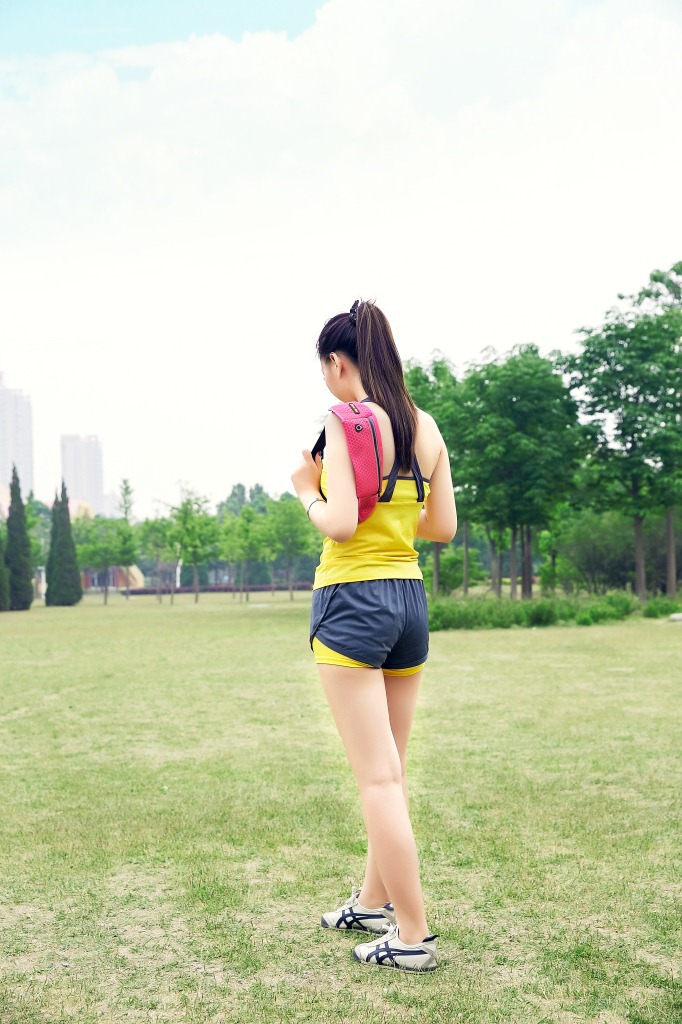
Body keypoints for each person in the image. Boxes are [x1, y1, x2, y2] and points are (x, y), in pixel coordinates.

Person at [291, 299, 457, 972]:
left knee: (378, 780)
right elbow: (441, 527)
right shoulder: (424, 424)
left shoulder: (346, 421)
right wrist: (393, 510)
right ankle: (371, 902)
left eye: (324, 368)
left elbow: (336, 523)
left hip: (353, 600)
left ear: (338, 362)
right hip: (408, 599)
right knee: (390, 772)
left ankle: (412, 937)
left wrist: (306, 488)